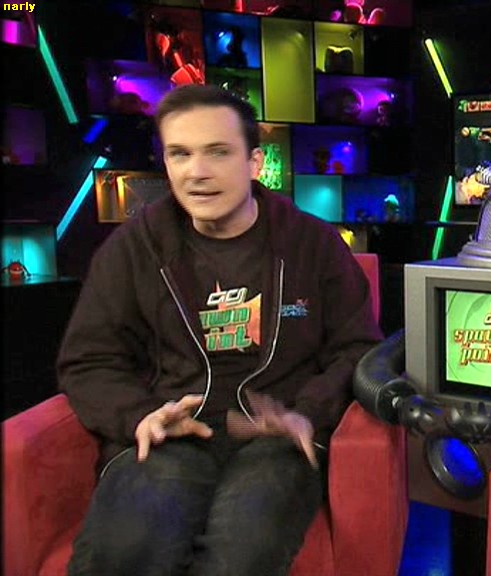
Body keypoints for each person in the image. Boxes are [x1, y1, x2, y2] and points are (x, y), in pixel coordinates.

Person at [57, 84, 383, 575]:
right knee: (126, 552)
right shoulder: (133, 248)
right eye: (180, 154)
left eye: (217, 152)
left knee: (241, 557)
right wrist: (139, 416)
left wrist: (307, 413)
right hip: (170, 435)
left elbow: (358, 349)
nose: (197, 171)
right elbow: (89, 359)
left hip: (276, 440)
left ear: (254, 163)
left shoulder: (313, 244)